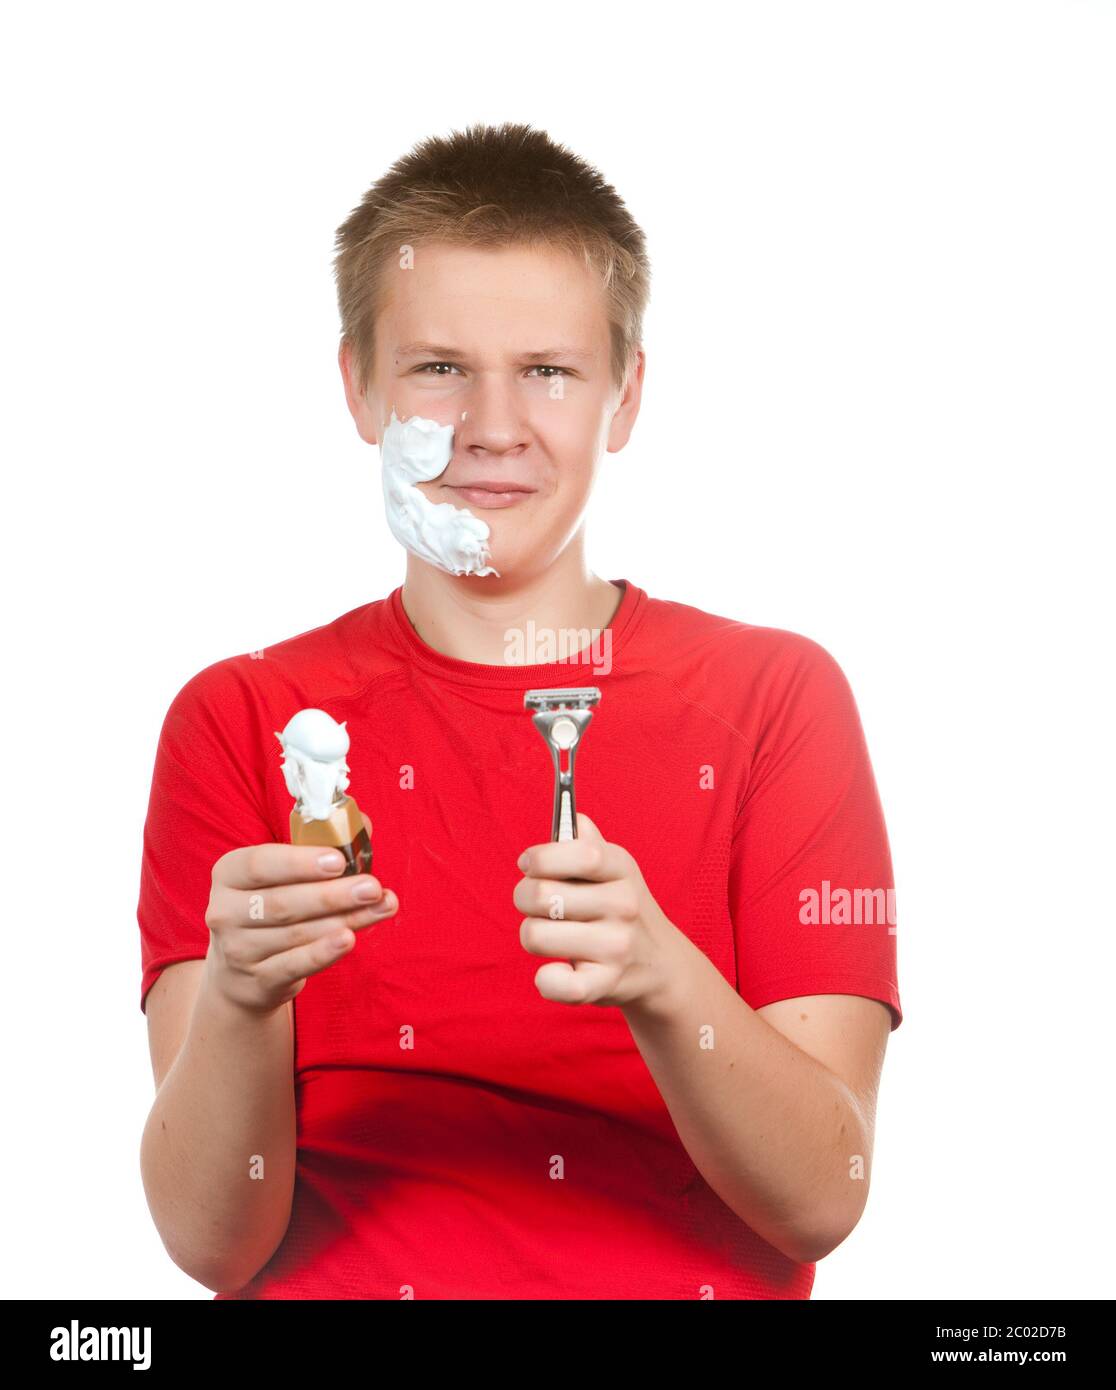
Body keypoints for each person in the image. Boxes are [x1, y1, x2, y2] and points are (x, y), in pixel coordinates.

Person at [137, 120, 902, 1300]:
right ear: (358, 388)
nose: (493, 425)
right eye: (437, 367)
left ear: (625, 396)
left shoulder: (773, 702)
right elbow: (210, 1244)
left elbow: (822, 1196)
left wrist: (663, 978)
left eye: (548, 370)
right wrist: (240, 995)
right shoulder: (241, 718)